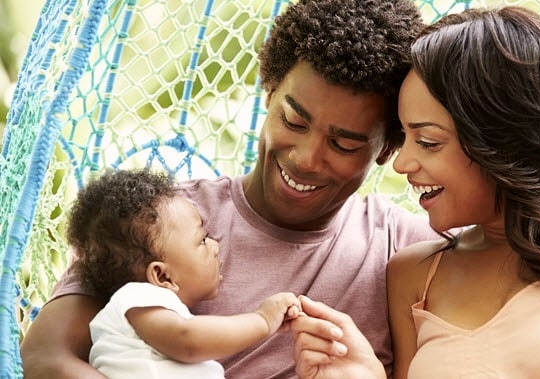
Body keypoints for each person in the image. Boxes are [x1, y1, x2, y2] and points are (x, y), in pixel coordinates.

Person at [20, 0, 438, 378]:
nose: (306, 159)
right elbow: (44, 357)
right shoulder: (157, 221)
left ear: (387, 148)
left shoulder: (407, 251)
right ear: (270, 94)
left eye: (343, 144)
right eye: (293, 122)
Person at [291, 6, 540, 379]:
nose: (402, 163)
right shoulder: (413, 274)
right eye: (404, 137)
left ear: (502, 140)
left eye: (427, 141)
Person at [65, 169, 301, 378]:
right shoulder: (135, 298)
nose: (216, 246)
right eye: (202, 240)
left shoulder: (155, 311)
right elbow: (189, 341)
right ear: (162, 277)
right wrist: (262, 320)